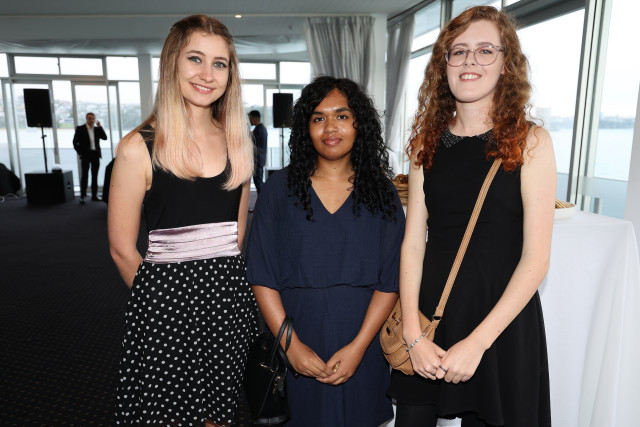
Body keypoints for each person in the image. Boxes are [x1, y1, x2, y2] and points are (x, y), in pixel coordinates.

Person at [387, 6, 555, 427]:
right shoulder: (425, 144)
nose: (470, 61)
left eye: (485, 50)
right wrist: (411, 334)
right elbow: (413, 244)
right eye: (458, 51)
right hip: (431, 316)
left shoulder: (532, 142)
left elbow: (536, 259)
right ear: (443, 64)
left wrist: (478, 342)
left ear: (506, 62)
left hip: (499, 324)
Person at [107, 15, 257, 426]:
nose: (207, 74)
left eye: (219, 63)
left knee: (218, 417)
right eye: (195, 58)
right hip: (164, 313)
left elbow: (236, 238)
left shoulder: (238, 143)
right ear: (172, 61)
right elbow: (122, 250)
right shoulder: (138, 147)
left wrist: (220, 301)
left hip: (227, 307)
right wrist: (165, 308)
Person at [246, 76, 405, 427]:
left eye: (342, 116)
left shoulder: (382, 193)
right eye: (318, 118)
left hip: (364, 340)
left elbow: (391, 280)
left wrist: (359, 347)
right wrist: (291, 346)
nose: (330, 127)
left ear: (359, 124)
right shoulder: (278, 190)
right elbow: (261, 275)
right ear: (306, 128)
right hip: (297, 337)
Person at [73, 112, 107, 203]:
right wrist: (80, 153)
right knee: (85, 175)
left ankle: (94, 195)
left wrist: (100, 127)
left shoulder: (97, 129)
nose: (91, 120)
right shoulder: (80, 129)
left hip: (95, 155)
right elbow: (75, 142)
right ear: (86, 119)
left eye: (93, 118)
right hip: (85, 155)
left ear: (95, 120)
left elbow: (105, 138)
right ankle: (82, 196)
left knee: (95, 176)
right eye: (89, 118)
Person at [249, 110, 268, 193]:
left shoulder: (258, 130)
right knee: (258, 180)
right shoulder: (262, 128)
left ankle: (262, 198)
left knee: (258, 181)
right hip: (260, 159)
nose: (249, 120)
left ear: (253, 118)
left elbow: (252, 143)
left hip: (258, 160)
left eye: (250, 118)